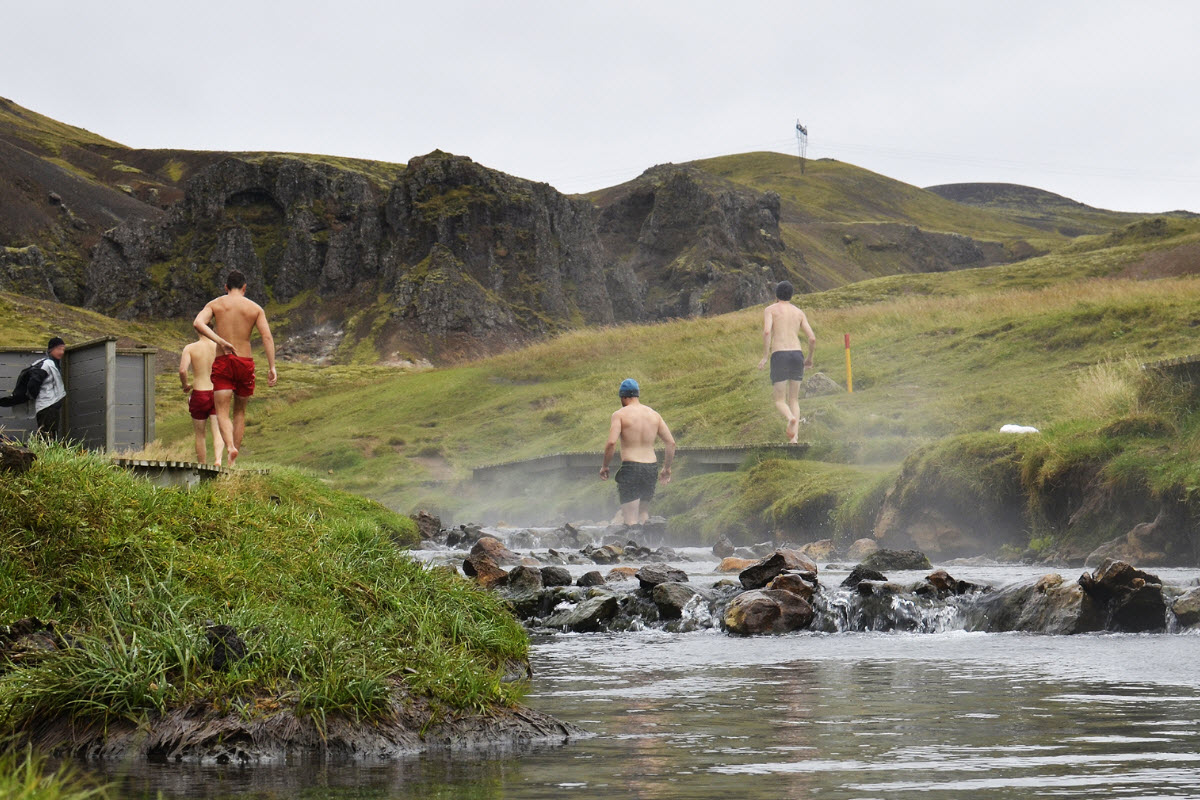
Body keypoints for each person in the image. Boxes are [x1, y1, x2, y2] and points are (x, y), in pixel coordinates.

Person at [193, 270, 277, 465]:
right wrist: (272, 366)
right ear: (245, 288)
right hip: (244, 362)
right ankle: (232, 461)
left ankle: (229, 446)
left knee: (221, 411)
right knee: (240, 411)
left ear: (226, 287)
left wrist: (220, 341)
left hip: (224, 361)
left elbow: (198, 323)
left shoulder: (215, 304)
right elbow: (267, 337)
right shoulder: (255, 309)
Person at [599, 378, 676, 525]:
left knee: (630, 518)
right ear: (637, 395)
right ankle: (648, 545)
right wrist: (666, 468)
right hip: (651, 468)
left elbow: (611, 443)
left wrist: (605, 466)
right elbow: (671, 443)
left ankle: (633, 545)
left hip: (631, 467)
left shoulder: (620, 414)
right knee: (643, 513)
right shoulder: (654, 415)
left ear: (623, 396)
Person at [757, 280, 816, 444]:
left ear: (776, 294)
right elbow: (812, 338)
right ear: (791, 295)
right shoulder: (799, 312)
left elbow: (767, 331)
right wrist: (809, 358)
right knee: (794, 399)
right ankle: (795, 438)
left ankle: (790, 418)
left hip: (780, 354)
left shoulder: (770, 310)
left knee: (779, 400)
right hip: (797, 354)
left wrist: (764, 356)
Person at [179, 335, 225, 466]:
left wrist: (185, 385)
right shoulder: (219, 346)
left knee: (200, 434)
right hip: (217, 391)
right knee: (217, 430)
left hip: (200, 392)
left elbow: (183, 370)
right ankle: (218, 460)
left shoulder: (190, 348)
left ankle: (202, 465)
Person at [30, 337, 67, 438]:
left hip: (51, 405)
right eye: (59, 349)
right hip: (47, 406)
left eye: (63, 349)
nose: (62, 352)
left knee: (49, 435)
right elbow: (33, 385)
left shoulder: (52, 364)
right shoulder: (46, 365)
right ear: (51, 349)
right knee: (47, 436)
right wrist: (42, 397)